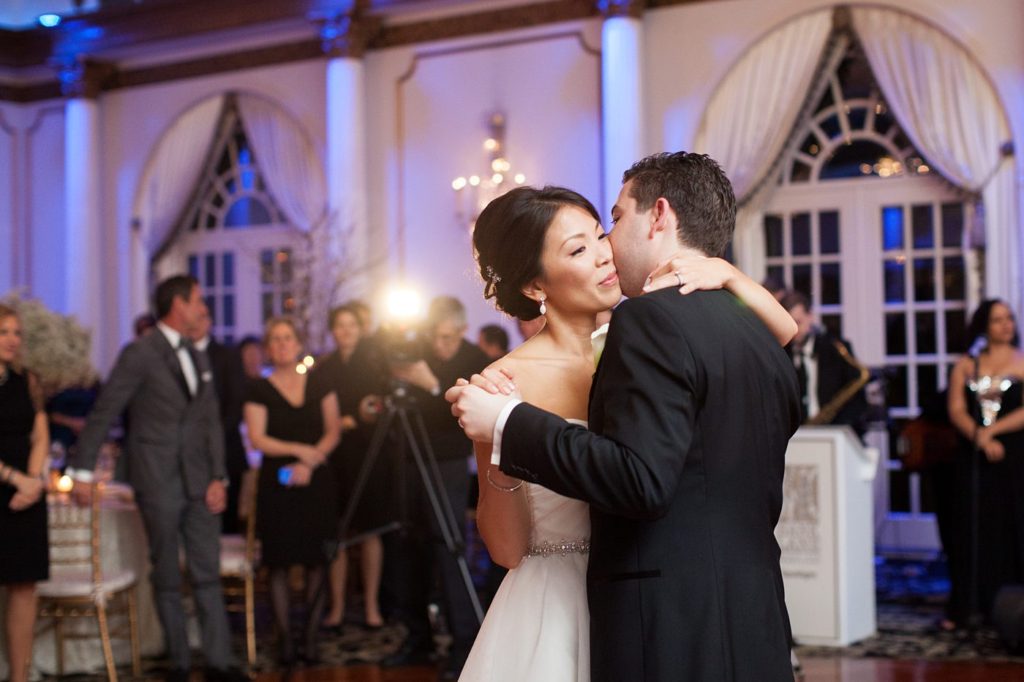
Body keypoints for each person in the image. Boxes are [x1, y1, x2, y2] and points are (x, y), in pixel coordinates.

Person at [449, 153, 800, 681]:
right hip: (559, 602)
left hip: (654, 598)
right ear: (535, 286)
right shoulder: (504, 382)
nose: (604, 253)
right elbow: (506, 548)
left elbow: (778, 334)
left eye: (601, 232)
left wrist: (726, 273)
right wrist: (497, 442)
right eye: (578, 248)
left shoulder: (640, 335)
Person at [68, 275, 243, 682]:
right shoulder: (140, 353)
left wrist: (219, 475)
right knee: (166, 573)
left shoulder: (199, 355)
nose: (203, 308)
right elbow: (105, 410)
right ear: (178, 305)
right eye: (198, 300)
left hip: (201, 481)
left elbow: (209, 423)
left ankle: (219, 664)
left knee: (207, 571)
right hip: (157, 478)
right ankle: (180, 663)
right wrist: (79, 470)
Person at [381, 296, 490, 679]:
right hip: (407, 459)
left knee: (449, 547)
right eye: (435, 337)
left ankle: (464, 642)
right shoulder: (418, 351)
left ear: (461, 330)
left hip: (446, 463)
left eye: (447, 337)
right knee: (407, 547)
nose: (440, 345)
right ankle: (416, 637)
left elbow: (470, 411)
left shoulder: (475, 357)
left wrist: (432, 385)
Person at [243, 317, 341, 666]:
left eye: (288, 338)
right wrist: (299, 451)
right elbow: (257, 438)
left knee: (317, 560)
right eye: (275, 340)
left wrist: (311, 463)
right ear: (269, 348)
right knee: (279, 561)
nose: (282, 344)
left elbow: (332, 430)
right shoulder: (258, 388)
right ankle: (285, 640)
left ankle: (311, 638)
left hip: (317, 480)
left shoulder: (320, 382)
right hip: (277, 483)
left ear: (299, 344)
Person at [943, 299, 1024, 630]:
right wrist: (978, 436)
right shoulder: (967, 363)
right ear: (984, 326)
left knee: (1013, 523)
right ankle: (970, 604)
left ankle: (1013, 607)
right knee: (972, 526)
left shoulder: (1022, 360)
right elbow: (956, 407)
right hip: (974, 456)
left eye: (1009, 319)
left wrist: (994, 432)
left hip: (1014, 455)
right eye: (997, 320)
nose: (1006, 325)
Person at [310, 304, 389, 630]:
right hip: (334, 457)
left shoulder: (374, 364)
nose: (345, 331)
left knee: (370, 531)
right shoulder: (323, 369)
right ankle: (337, 607)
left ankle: (371, 606)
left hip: (368, 455)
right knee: (336, 534)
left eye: (351, 325)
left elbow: (380, 405)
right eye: (339, 325)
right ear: (333, 330)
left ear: (360, 329)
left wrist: (354, 418)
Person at [0, 305, 49, 682]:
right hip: (6, 486)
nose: (13, 339)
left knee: (24, 587)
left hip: (27, 496)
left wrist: (32, 482)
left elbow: (40, 436)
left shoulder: (28, 381)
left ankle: (20, 676)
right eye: (4, 332)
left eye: (17, 332)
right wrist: (15, 479)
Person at [191, 308, 249, 534]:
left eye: (200, 318)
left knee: (227, 524)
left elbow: (236, 405)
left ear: (209, 321)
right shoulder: (176, 356)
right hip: (187, 459)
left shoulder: (227, 356)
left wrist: (208, 440)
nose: (195, 324)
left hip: (226, 453)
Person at [781, 289, 869, 436]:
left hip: (835, 433)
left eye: (798, 322)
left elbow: (858, 401)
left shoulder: (835, 349)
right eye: (789, 323)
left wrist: (838, 429)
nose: (794, 330)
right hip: (795, 437)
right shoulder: (782, 353)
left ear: (810, 317)